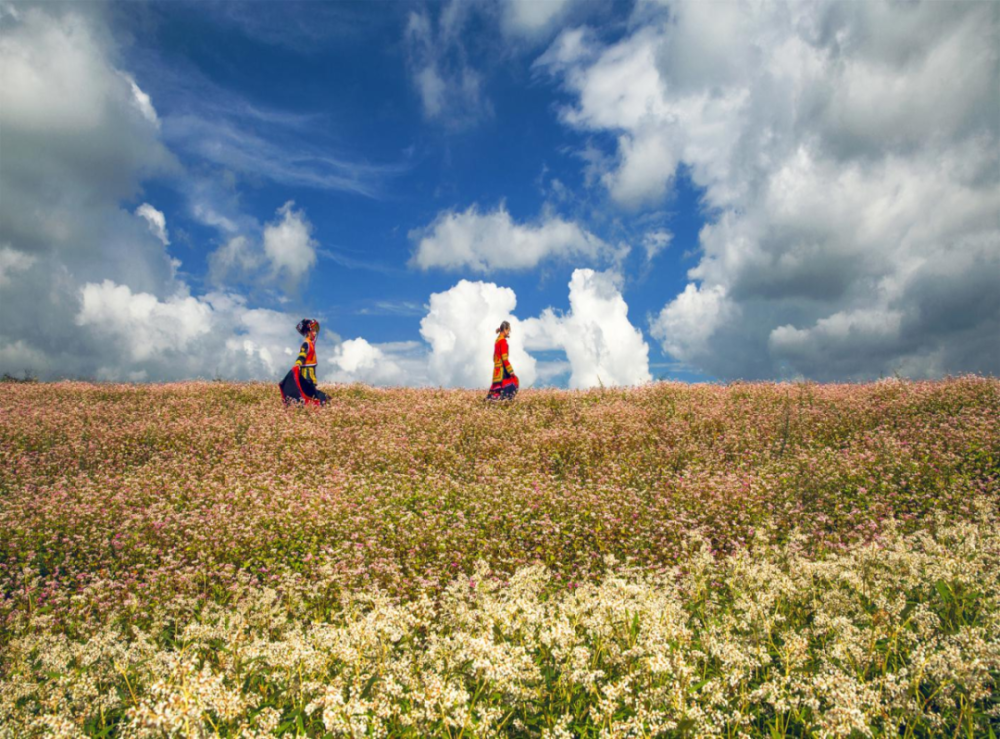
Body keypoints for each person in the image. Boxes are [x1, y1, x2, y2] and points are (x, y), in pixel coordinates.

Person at [278, 319, 329, 406]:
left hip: (311, 375)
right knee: (314, 397)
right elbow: (302, 355)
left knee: (316, 396)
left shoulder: (311, 343)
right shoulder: (306, 344)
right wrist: (298, 364)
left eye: (315, 331)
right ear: (308, 332)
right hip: (306, 375)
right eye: (313, 331)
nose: (315, 333)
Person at [486, 320, 519, 401]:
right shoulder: (503, 342)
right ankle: (505, 403)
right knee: (513, 382)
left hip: (496, 370)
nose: (509, 332)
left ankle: (489, 402)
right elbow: (504, 358)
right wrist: (510, 370)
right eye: (508, 330)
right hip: (502, 370)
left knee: (495, 389)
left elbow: (494, 357)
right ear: (505, 330)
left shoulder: (497, 341)